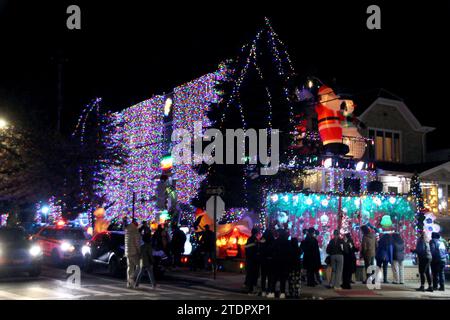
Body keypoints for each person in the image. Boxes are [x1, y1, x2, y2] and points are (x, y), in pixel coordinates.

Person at [268, 229, 291, 299]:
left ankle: (272, 292)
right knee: (282, 279)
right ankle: (282, 293)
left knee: (274, 278)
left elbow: (271, 250)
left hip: (276, 262)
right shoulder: (287, 242)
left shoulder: (276, 241)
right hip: (284, 263)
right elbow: (289, 252)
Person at [244, 228, 262, 295]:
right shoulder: (255, 241)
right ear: (256, 233)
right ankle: (251, 289)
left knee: (249, 274)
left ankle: (249, 288)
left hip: (249, 260)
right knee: (254, 275)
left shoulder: (249, 239)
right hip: (254, 261)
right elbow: (256, 251)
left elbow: (247, 250)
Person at [125, 218, 141, 288]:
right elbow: (137, 243)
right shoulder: (135, 231)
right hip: (134, 251)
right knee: (139, 266)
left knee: (130, 267)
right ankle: (132, 278)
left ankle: (129, 282)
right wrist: (139, 251)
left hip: (128, 252)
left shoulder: (127, 231)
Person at [260, 229, 274, 297]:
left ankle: (263, 290)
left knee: (263, 276)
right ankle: (269, 290)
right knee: (269, 276)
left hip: (263, 260)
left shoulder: (263, 238)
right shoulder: (272, 239)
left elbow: (260, 248)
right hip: (270, 260)